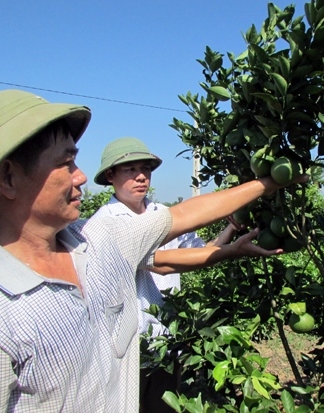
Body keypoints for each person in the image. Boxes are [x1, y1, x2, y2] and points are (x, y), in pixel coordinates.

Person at [0, 89, 306, 412]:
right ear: (9, 179)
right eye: (66, 163)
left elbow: (183, 216)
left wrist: (269, 183)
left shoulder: (98, 238)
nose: (81, 177)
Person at [92, 137, 243, 413]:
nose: (141, 176)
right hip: (127, 351)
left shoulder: (163, 215)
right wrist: (235, 251)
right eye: (130, 170)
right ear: (110, 176)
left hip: (167, 344)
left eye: (146, 169)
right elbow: (163, 264)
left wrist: (231, 230)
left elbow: (201, 252)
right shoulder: (105, 223)